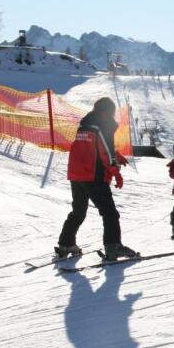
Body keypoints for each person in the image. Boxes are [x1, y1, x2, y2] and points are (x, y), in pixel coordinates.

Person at [57, 97, 138, 261]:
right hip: (92, 175)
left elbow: (94, 146)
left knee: (78, 211)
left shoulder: (86, 125)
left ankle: (66, 243)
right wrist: (115, 171)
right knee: (109, 213)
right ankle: (113, 246)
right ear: (107, 112)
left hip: (76, 174)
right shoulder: (104, 124)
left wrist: (115, 155)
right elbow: (104, 151)